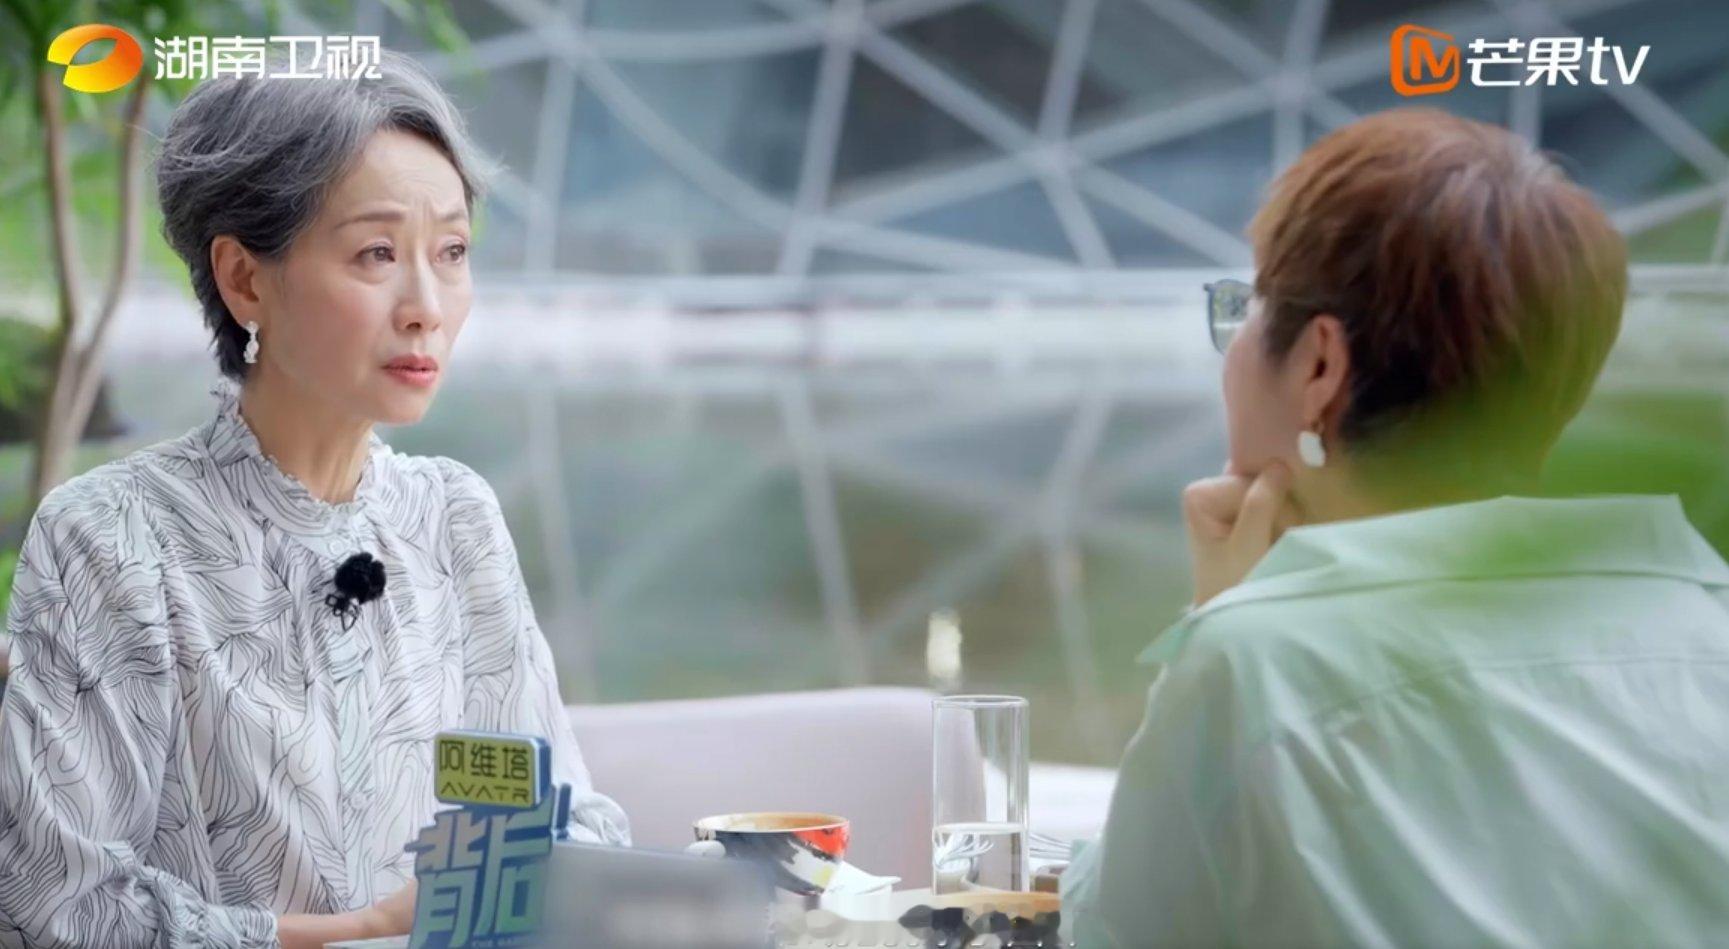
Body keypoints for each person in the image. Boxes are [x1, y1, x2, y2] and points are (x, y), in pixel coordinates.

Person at [0, 53, 628, 949]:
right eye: (377, 253)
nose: (426, 306)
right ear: (244, 279)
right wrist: (357, 930)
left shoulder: (454, 517)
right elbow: (55, 907)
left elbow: (565, 818)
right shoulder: (110, 537)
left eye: (451, 253)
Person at [1061, 108, 1729, 946]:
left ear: (1318, 365)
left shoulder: (1257, 666)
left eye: (1244, 311)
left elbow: (1114, 932)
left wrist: (1219, 615)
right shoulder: (1707, 616)